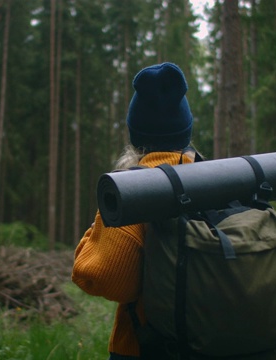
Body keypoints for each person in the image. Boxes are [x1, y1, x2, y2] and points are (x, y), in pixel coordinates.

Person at [71, 62, 197, 359]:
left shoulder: (133, 191)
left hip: (146, 349)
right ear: (186, 131)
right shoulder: (216, 180)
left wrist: (91, 236)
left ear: (135, 134)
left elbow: (98, 277)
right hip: (212, 346)